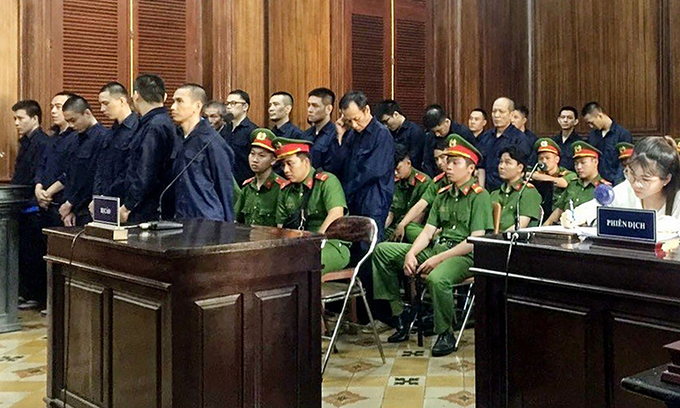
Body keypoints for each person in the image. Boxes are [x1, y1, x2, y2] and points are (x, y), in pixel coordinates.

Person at [372, 134, 492, 356]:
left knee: (437, 278)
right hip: (437, 248)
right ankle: (400, 315)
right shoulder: (443, 194)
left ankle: (445, 333)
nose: (448, 167)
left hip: (464, 256)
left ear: (470, 169)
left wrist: (438, 259)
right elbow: (428, 231)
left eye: (455, 162)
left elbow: (474, 241)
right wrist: (412, 253)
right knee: (382, 251)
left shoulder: (480, 196)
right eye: (448, 161)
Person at [562, 137, 680, 230]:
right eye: (632, 174)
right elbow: (596, 207)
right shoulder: (627, 188)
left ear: (666, 179)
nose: (636, 184)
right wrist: (574, 216)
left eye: (645, 179)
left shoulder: (677, 197)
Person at [274, 137, 349, 273]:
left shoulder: (327, 182)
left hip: (330, 244)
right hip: (297, 245)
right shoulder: (286, 191)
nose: (285, 170)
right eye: (283, 165)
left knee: (304, 261)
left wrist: (315, 241)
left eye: (290, 164)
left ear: (306, 162)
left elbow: (336, 214)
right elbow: (281, 226)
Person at [334, 90, 395, 240]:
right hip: (354, 198)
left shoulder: (381, 134)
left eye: (356, 119)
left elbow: (374, 171)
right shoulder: (351, 135)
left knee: (369, 243)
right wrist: (340, 136)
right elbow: (339, 166)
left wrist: (349, 188)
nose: (354, 125)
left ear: (366, 110)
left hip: (373, 199)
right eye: (349, 121)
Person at [170, 83, 235, 221]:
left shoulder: (212, 142)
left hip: (206, 219)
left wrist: (227, 227)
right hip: (180, 217)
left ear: (197, 106)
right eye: (173, 101)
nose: (173, 107)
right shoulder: (177, 137)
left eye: (179, 101)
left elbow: (225, 187)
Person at [11, 99, 50, 310]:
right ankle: (27, 292)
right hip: (21, 204)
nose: (17, 123)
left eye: (20, 118)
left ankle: (37, 295)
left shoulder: (42, 142)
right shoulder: (25, 142)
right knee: (24, 253)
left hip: (33, 205)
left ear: (34, 118)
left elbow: (37, 174)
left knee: (35, 254)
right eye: (15, 119)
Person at [121, 74, 176, 223]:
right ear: (164, 96)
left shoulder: (155, 126)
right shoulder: (156, 122)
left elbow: (146, 171)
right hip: (148, 205)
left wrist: (128, 206)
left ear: (136, 95)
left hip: (147, 209)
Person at [389, 136, 453, 244]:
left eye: (443, 157)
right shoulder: (437, 182)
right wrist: (402, 224)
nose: (439, 163)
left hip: (448, 233)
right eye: (436, 159)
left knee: (409, 229)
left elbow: (421, 214)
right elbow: (421, 204)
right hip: (430, 230)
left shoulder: (424, 182)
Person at [59, 95, 107, 226]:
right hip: (73, 208)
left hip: (89, 208)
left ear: (87, 113)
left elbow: (92, 176)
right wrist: (69, 207)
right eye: (68, 121)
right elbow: (70, 175)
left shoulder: (103, 137)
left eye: (73, 120)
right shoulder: (73, 139)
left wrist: (71, 203)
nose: (71, 125)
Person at [92, 82, 138, 206]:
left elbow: (131, 170)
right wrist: (97, 196)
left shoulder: (137, 129)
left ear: (122, 101)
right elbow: (100, 167)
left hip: (124, 200)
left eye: (106, 103)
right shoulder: (111, 132)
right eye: (101, 104)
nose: (102, 109)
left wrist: (109, 195)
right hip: (105, 199)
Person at [34, 92, 76, 228]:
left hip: (62, 202)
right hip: (45, 203)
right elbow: (41, 165)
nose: (53, 111)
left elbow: (70, 172)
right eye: (52, 107)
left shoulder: (76, 137)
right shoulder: (52, 138)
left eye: (58, 107)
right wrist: (38, 188)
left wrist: (48, 193)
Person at [544, 141, 610, 225]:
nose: (578, 167)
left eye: (583, 163)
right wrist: (545, 226)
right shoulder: (573, 184)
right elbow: (559, 209)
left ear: (595, 162)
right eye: (576, 163)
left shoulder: (604, 189)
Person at [234, 128, 288, 226]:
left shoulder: (282, 189)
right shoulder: (247, 188)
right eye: (252, 154)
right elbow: (237, 221)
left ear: (273, 160)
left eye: (262, 155)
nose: (255, 159)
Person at [476, 97, 532, 191]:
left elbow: (521, 170)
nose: (496, 115)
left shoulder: (520, 139)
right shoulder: (486, 136)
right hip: (487, 190)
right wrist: (481, 190)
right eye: (494, 111)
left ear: (511, 115)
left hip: (509, 191)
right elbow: (481, 166)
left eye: (501, 112)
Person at [384, 144, 433, 241]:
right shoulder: (396, 182)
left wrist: (402, 228)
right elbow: (392, 211)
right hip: (395, 225)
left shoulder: (424, 183)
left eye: (398, 169)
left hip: (412, 228)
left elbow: (420, 215)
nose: (395, 173)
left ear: (408, 163)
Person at [490, 146, 542, 231]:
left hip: (511, 238)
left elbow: (521, 224)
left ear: (520, 168)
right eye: (501, 162)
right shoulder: (494, 193)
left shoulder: (528, 192)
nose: (501, 166)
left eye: (507, 163)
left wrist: (499, 237)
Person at [582, 101, 632, 185]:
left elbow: (624, 163)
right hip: (597, 183)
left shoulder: (622, 134)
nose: (591, 126)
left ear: (600, 116)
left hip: (616, 183)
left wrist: (617, 183)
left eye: (591, 122)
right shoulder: (592, 135)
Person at [421, 104, 476, 177]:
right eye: (434, 132)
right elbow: (427, 161)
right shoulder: (430, 136)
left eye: (439, 130)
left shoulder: (463, 133)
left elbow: (472, 158)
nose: (437, 135)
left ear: (446, 122)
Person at [530, 138, 577, 220]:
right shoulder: (534, 174)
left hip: (559, 217)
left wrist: (541, 177)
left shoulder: (567, 174)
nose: (544, 161)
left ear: (557, 159)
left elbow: (563, 183)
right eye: (541, 158)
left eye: (547, 158)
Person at [376, 99, 426, 170]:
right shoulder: (387, 132)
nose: (385, 126)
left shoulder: (414, 131)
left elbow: (415, 159)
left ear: (395, 114)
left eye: (386, 121)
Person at [225, 89, 258, 185]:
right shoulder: (224, 129)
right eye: (227, 104)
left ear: (245, 107)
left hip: (244, 184)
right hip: (225, 183)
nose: (228, 107)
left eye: (233, 103)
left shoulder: (252, 131)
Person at [304, 87, 339, 171]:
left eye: (315, 106)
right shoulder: (305, 134)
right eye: (309, 105)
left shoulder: (335, 135)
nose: (309, 110)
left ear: (328, 109)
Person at [552, 106, 581, 171]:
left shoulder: (579, 142)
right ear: (559, 120)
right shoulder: (553, 142)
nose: (565, 120)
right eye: (563, 117)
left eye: (569, 118)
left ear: (576, 121)